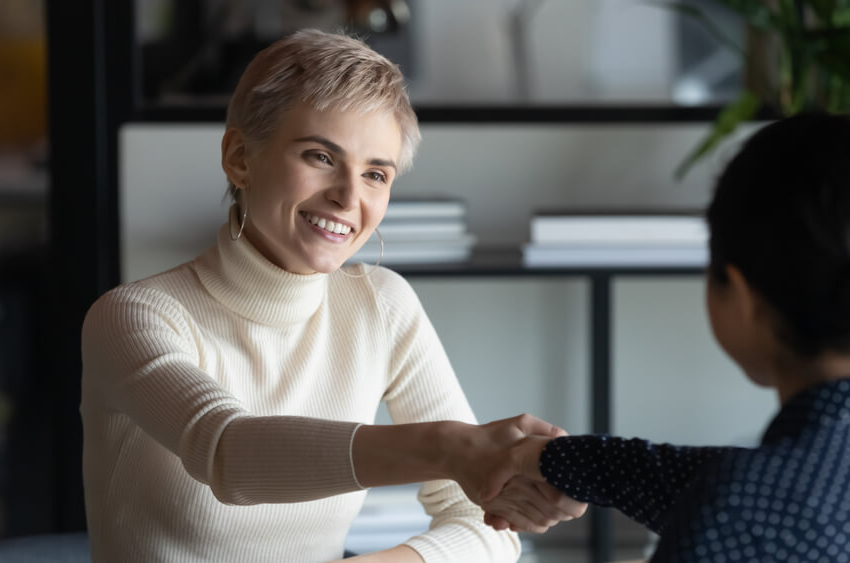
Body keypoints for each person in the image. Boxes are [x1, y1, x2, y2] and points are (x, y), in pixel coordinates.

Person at [80, 29, 583, 563]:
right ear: (239, 158)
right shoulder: (133, 318)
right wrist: (452, 449)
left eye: (375, 174)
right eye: (320, 156)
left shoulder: (381, 304)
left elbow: (487, 528)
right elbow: (228, 452)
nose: (349, 197)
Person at [483, 113, 850, 561]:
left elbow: (742, 496)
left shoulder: (738, 512)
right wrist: (552, 460)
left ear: (743, 296)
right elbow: (716, 481)